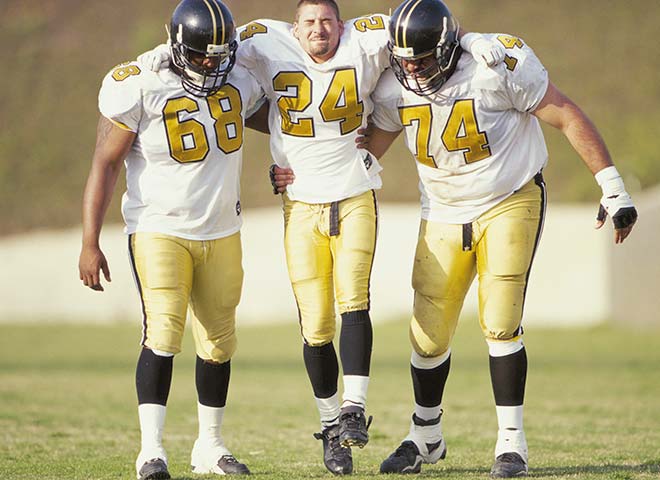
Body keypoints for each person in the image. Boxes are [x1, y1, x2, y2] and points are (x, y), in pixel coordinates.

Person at [140, 1, 505, 475]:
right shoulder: (266, 40)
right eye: (310, 21)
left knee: (354, 300)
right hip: (301, 203)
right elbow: (208, 50)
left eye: (328, 21)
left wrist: (474, 39)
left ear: (341, 22)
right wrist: (159, 54)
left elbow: (432, 29)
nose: (320, 29)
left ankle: (354, 406)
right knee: (315, 326)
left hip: (354, 194)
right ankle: (332, 426)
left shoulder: (368, 36)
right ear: (295, 26)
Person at [355, 0, 637, 478]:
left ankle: (512, 444)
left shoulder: (495, 64)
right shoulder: (392, 86)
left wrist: (613, 187)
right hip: (442, 210)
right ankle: (425, 436)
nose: (412, 70)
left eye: (422, 59)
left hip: (510, 197)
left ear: (445, 48)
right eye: (404, 60)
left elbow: (566, 114)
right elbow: (370, 146)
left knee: (500, 320)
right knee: (427, 334)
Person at [77, 0, 264, 478]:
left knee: (220, 342)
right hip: (159, 227)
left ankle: (210, 447)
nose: (211, 64)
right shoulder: (140, 82)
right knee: (162, 332)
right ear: (178, 45)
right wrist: (90, 240)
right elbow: (105, 163)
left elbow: (284, 118)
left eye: (219, 55)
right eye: (202, 55)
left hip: (222, 227)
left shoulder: (240, 74)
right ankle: (152, 451)